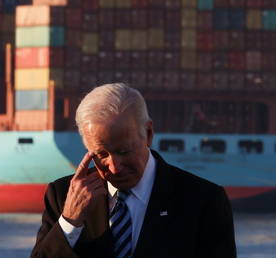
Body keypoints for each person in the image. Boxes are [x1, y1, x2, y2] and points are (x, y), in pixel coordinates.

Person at [31, 83, 236, 258]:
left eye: (123, 151)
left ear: (148, 133)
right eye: (101, 154)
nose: (114, 166)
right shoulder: (62, 196)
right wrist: (70, 221)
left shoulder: (204, 200)